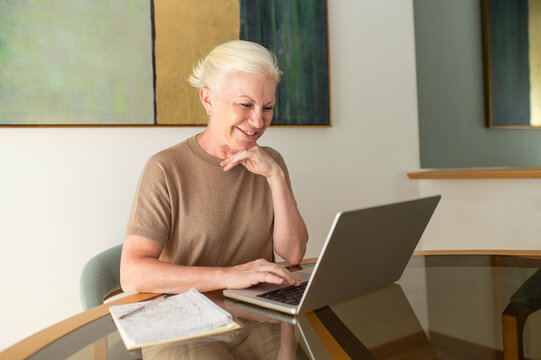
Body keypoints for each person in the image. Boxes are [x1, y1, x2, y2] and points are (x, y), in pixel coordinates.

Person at [120, 40, 308, 295]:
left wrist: (275, 176)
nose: (257, 121)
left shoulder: (270, 162)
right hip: (191, 320)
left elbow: (293, 253)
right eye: (244, 104)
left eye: (267, 108)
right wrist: (229, 276)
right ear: (208, 100)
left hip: (257, 314)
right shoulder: (165, 169)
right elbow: (132, 275)